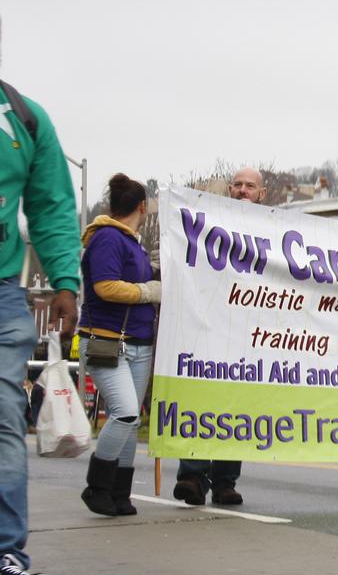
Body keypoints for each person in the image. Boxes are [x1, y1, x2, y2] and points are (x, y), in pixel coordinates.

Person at [0, 76, 80, 575]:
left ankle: (6, 549)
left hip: (4, 294)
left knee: (4, 416)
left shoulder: (23, 118)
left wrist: (65, 281)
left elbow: (50, 205)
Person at [173, 166, 267, 506]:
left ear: (262, 193)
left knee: (236, 405)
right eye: (238, 185)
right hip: (209, 325)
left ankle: (225, 481)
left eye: (250, 186)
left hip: (248, 331)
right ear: (230, 190)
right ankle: (192, 475)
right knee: (204, 399)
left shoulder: (275, 231)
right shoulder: (209, 222)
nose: (243, 190)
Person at [78, 174, 160, 516]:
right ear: (142, 207)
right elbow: (106, 286)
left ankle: (119, 492)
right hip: (108, 342)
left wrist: (153, 274)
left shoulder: (130, 243)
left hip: (137, 343)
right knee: (125, 414)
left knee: (124, 418)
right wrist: (147, 292)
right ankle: (96, 486)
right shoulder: (109, 239)